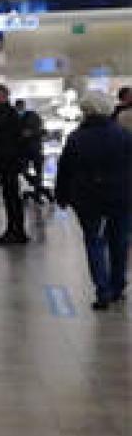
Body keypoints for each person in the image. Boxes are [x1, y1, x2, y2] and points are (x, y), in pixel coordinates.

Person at [56, 91, 132, 310]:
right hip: (121, 196)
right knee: (120, 241)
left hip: (87, 197)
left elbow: (65, 170)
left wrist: (61, 195)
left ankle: (102, 290)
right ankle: (118, 285)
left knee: (93, 240)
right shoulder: (124, 136)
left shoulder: (76, 138)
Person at [0, 84, 29, 246]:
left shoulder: (6, 113)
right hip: (5, 161)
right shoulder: (0, 113)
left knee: (12, 197)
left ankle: (15, 231)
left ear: (3, 96)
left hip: (9, 161)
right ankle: (17, 230)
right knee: (11, 197)